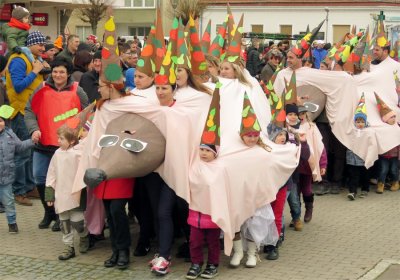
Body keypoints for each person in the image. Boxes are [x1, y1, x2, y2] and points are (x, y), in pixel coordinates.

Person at [24, 56, 89, 231]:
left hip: (67, 146)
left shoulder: (77, 90)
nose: (58, 75)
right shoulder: (41, 88)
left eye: (62, 72)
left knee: (64, 182)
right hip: (43, 143)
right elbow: (29, 110)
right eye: (55, 71)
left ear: (68, 73)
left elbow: (86, 112)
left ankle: (62, 215)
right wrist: (33, 129)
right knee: (40, 177)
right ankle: (49, 212)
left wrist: (80, 133)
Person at [5, 30, 46, 207]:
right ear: (30, 44)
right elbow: (19, 86)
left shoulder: (32, 60)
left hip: (30, 111)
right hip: (20, 112)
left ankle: (30, 186)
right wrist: (36, 71)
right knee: (22, 153)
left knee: (30, 151)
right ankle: (18, 190)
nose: (43, 48)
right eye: (40, 44)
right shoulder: (18, 60)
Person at [45, 125, 89, 260]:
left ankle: (84, 236)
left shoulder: (79, 153)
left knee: (78, 222)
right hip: (61, 194)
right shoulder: (57, 154)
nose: (58, 141)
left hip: (76, 193)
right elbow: (51, 173)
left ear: (71, 141)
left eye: (61, 138)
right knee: (64, 222)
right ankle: (68, 247)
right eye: (58, 138)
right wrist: (49, 194)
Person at [0, 104, 34, 233]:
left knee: (8, 202)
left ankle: (12, 223)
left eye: (0, 121)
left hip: (6, 178)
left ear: (5, 122)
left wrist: (32, 141)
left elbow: (20, 147)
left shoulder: (10, 134)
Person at [298, 105, 327, 222]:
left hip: (307, 164)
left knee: (306, 189)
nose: (300, 116)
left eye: (302, 113)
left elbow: (320, 147)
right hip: (294, 166)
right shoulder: (289, 127)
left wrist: (323, 164)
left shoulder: (312, 127)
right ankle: (296, 216)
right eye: (298, 114)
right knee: (294, 194)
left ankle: (309, 209)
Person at [374, 93, 399, 193]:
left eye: (394, 117)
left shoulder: (397, 128)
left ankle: (395, 182)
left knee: (394, 170)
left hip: (394, 155)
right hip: (384, 155)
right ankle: (381, 184)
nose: (393, 119)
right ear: (385, 119)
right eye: (391, 117)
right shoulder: (382, 129)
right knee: (383, 170)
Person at [346, 94, 369, 200]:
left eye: (362, 122)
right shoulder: (352, 131)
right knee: (353, 175)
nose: (360, 124)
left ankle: (365, 189)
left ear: (365, 122)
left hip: (364, 158)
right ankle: (352, 191)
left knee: (365, 174)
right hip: (353, 158)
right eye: (358, 121)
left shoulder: (369, 132)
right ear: (355, 122)